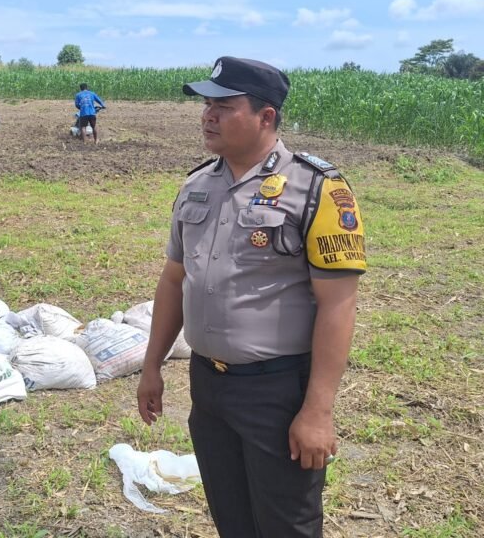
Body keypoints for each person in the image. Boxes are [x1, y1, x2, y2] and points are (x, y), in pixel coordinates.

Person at [136, 56, 366, 538]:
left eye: (223, 105)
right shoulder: (197, 186)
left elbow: (338, 304)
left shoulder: (317, 188)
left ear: (266, 117)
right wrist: (153, 365)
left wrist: (318, 410)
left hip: (278, 391)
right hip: (209, 385)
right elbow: (175, 280)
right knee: (231, 516)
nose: (208, 116)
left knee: (286, 523)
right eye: (205, 105)